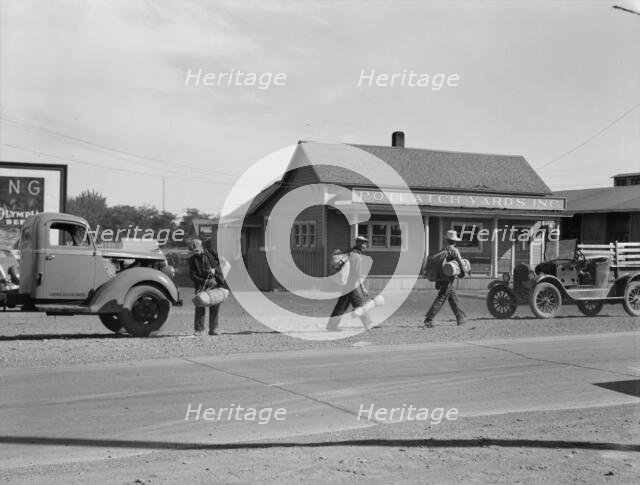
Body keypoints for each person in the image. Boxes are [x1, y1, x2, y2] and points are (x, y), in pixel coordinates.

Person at [327, 235, 374, 331]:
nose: (365, 246)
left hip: (347, 284)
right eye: (364, 244)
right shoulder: (356, 256)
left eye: (366, 244)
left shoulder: (350, 253)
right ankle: (368, 324)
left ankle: (331, 325)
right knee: (359, 304)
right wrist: (363, 288)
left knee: (341, 305)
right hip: (353, 285)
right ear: (360, 245)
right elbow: (357, 274)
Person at [423, 230, 467, 328]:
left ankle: (460, 317)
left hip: (441, 277)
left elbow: (439, 266)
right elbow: (460, 263)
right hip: (448, 278)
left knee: (452, 298)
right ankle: (429, 319)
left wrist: (438, 280)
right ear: (455, 241)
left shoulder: (443, 250)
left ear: (447, 240)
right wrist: (463, 273)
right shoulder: (454, 251)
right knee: (442, 298)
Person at [188, 239, 227, 336]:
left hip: (216, 283)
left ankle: (213, 329)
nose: (195, 253)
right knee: (200, 306)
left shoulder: (212, 253)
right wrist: (206, 281)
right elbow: (193, 276)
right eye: (193, 251)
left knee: (215, 306)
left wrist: (216, 274)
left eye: (196, 250)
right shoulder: (192, 260)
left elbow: (223, 263)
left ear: (201, 247)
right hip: (201, 286)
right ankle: (199, 330)